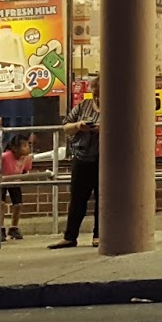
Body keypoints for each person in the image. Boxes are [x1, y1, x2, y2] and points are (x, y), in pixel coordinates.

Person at [52, 89, 101, 249]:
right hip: (82, 156)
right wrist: (79, 125)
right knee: (77, 199)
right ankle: (70, 236)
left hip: (104, 158)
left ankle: (99, 235)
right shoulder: (83, 106)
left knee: (102, 198)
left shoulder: (115, 108)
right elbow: (66, 126)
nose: (97, 99)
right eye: (95, 95)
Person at [0, 132, 36, 241]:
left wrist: (24, 177)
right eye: (25, 146)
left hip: (15, 181)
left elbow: (25, 170)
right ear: (15, 148)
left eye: (28, 145)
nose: (28, 148)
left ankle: (13, 228)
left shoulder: (27, 158)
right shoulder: (5, 156)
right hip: (2, 181)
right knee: (1, 204)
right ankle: (0, 228)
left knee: (18, 204)